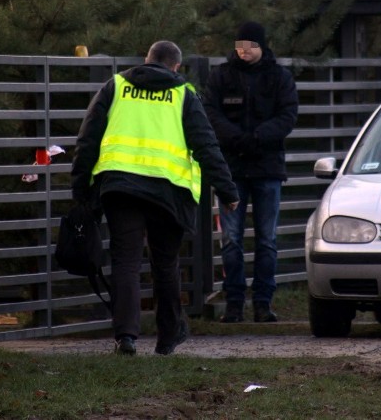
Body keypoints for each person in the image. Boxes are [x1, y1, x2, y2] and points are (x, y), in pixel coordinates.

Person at [71, 40, 239, 356]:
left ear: (146, 60)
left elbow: (88, 138)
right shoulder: (183, 94)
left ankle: (126, 337)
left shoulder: (117, 85)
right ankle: (167, 339)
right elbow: (206, 146)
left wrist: (81, 190)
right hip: (169, 191)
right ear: (176, 66)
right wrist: (228, 191)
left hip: (121, 188)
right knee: (165, 264)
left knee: (126, 262)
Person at [202, 21, 299, 323]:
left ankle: (262, 303)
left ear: (261, 46)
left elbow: (288, 115)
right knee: (231, 239)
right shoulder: (221, 76)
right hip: (231, 170)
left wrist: (257, 137)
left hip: (267, 168)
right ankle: (234, 304)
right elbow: (210, 112)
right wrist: (235, 138)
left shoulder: (279, 77)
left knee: (266, 239)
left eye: (250, 46)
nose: (244, 52)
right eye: (240, 46)